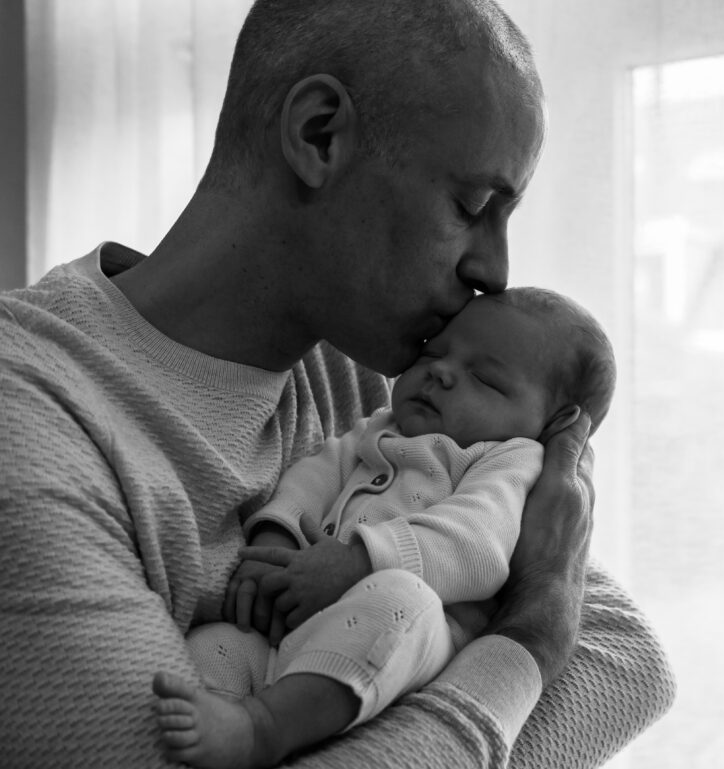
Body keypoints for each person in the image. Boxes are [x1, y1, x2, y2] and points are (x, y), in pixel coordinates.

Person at [0, 0, 676, 767]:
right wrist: (531, 637)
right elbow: (559, 627)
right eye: (471, 206)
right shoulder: (31, 418)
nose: (495, 272)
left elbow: (624, 659)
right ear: (320, 134)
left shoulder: (366, 374)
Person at [152, 287, 617, 769]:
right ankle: (210, 724)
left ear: (556, 423)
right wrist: (277, 541)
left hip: (409, 641)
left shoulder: (512, 460)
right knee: (220, 642)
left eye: (484, 378)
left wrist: (359, 562)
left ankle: (262, 727)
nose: (441, 371)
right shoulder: (382, 425)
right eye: (433, 352)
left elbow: (475, 543)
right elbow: (314, 476)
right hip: (290, 624)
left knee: (401, 598)